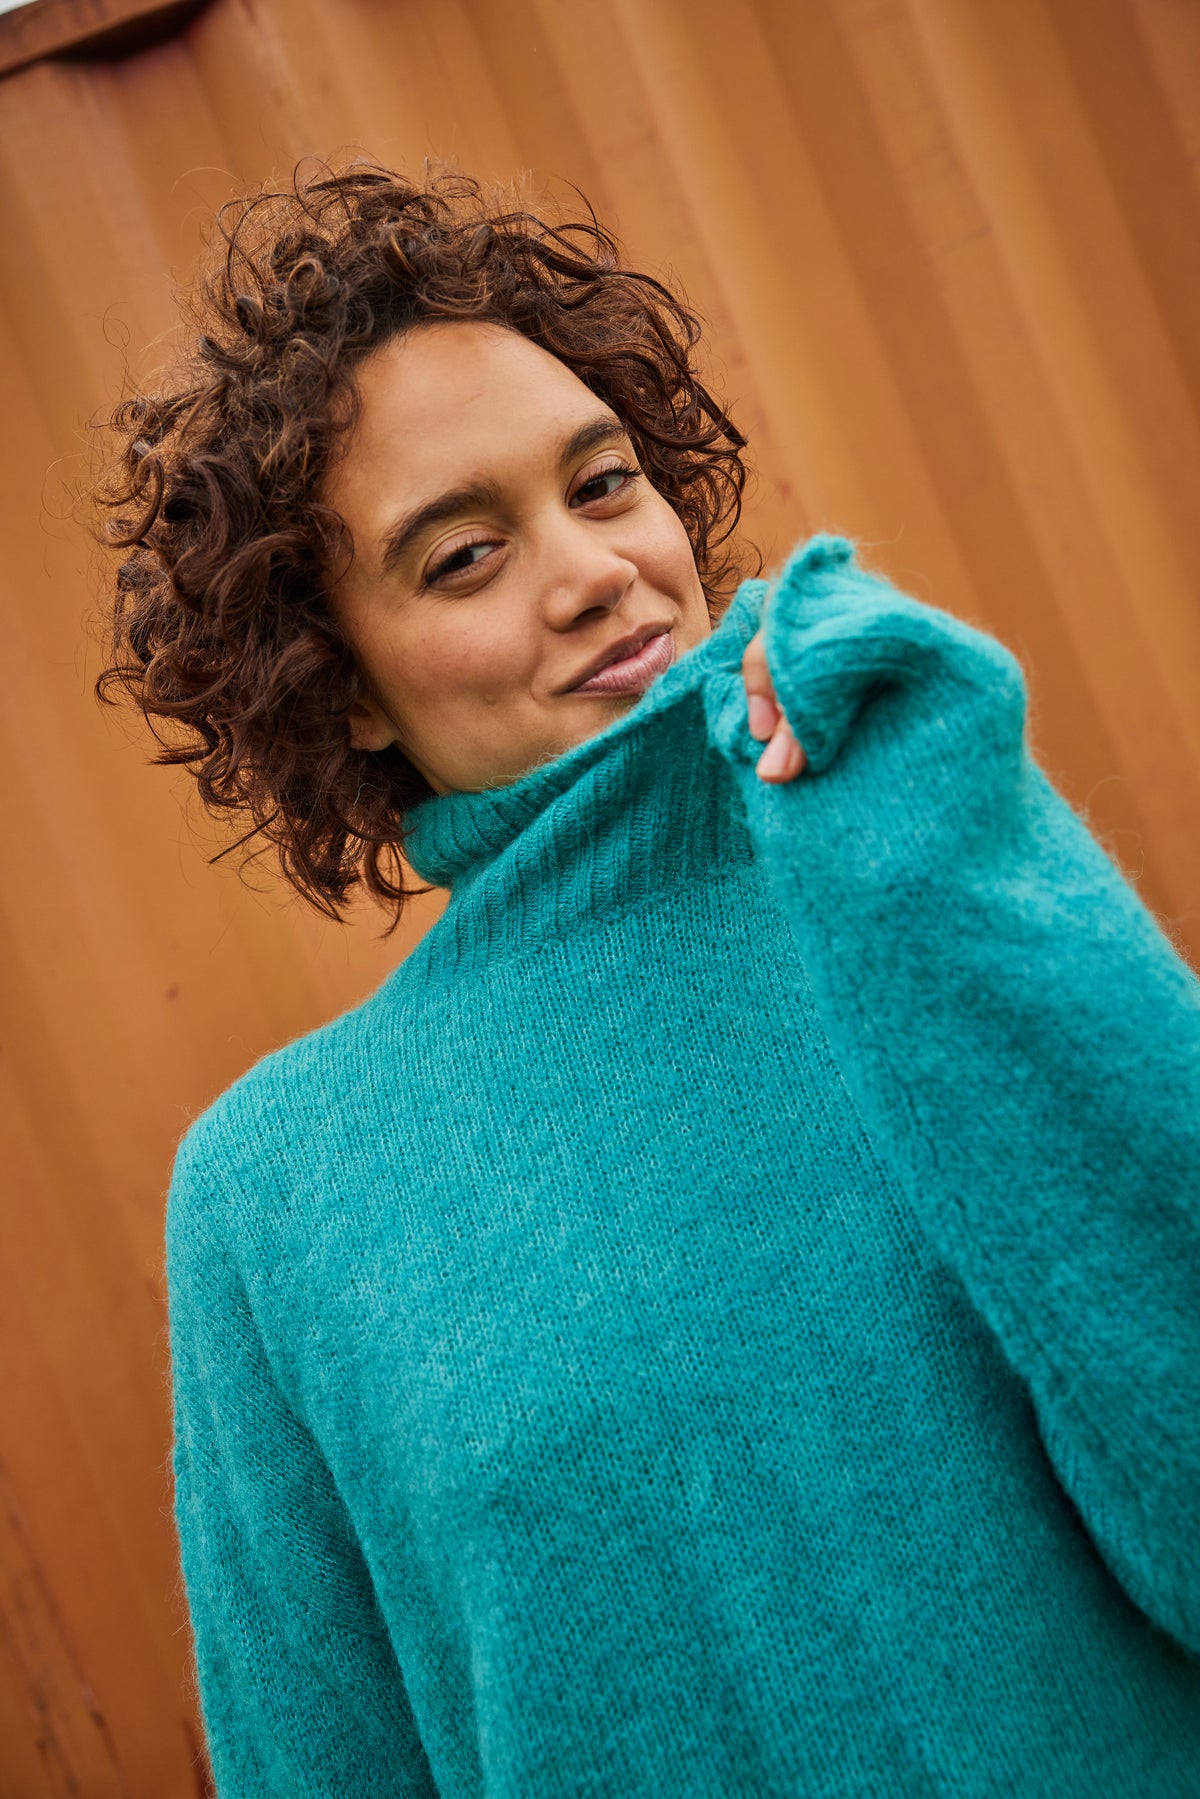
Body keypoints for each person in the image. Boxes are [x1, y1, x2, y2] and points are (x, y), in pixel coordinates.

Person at [96, 165, 1200, 1798]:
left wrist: (960, 861)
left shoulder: (918, 898)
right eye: (463, 557)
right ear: (341, 687)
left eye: (603, 483)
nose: (596, 569)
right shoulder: (272, 1195)